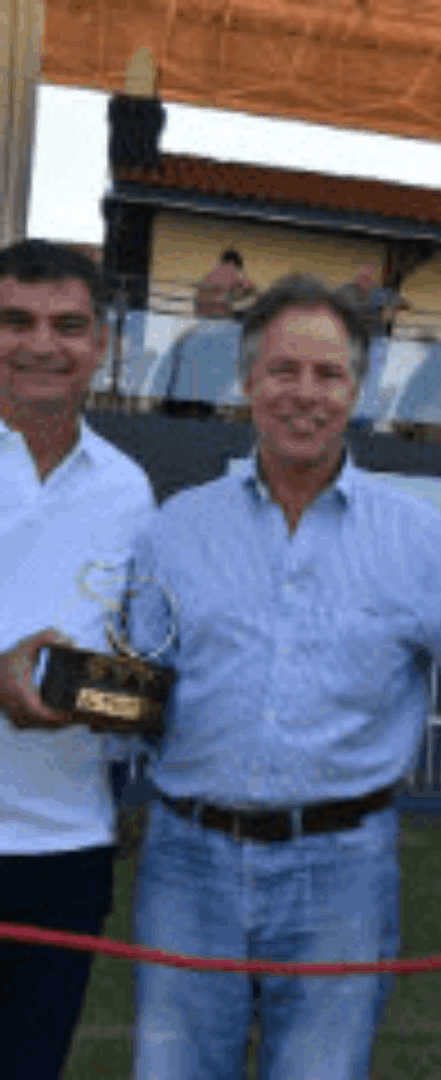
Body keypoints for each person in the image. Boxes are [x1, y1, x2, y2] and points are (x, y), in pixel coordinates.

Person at [127, 273, 441, 1079]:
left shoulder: (419, 536)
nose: (305, 395)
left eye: (328, 375)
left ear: (358, 389)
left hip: (341, 869)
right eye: (284, 371)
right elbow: (137, 682)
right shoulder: (174, 530)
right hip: (187, 862)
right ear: (248, 381)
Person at [0, 239, 156, 1079]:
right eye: (14, 321)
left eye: (67, 324)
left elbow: (135, 692)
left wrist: (88, 693)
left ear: (102, 343)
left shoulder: (129, 489)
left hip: (69, 852)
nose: (41, 344)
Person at [193, 248, 257, 318]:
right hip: (219, 313)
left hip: (201, 313)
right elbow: (243, 291)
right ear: (237, 262)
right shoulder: (233, 272)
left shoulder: (211, 274)